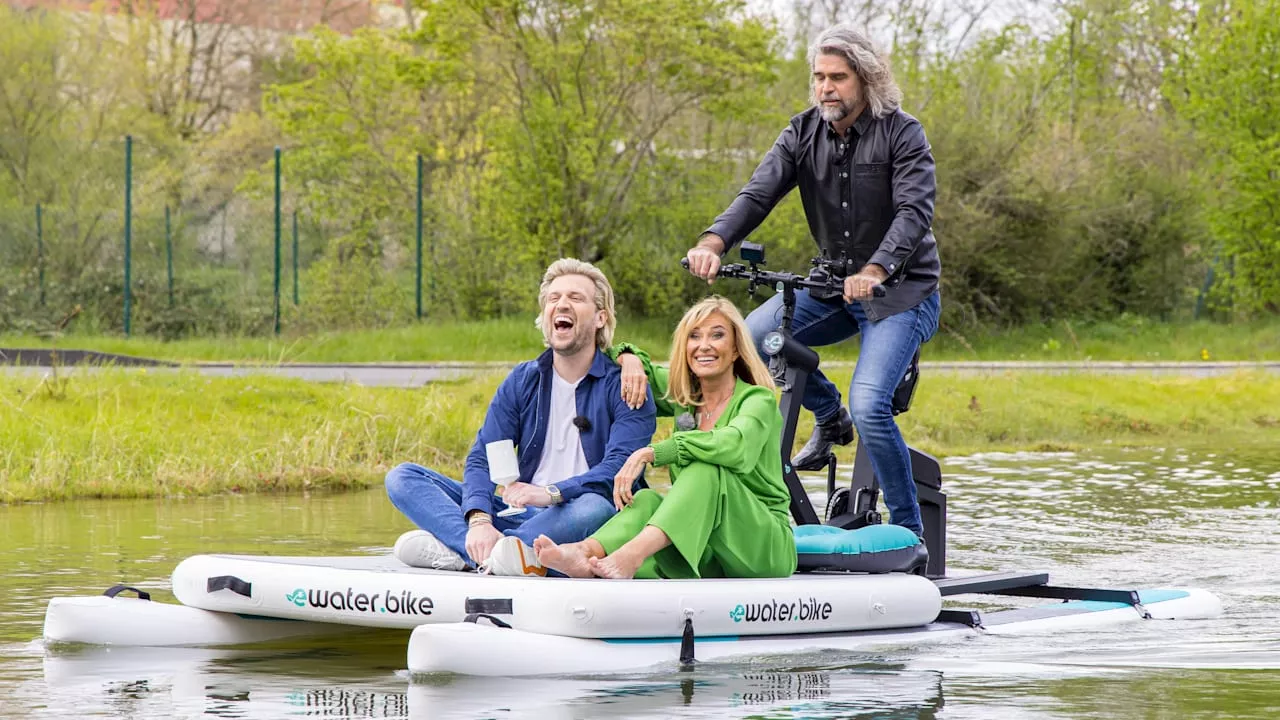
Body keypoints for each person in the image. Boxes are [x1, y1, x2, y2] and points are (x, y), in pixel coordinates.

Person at [682, 24, 941, 537]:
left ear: (866, 79)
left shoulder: (903, 133)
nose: (826, 88)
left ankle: (910, 535)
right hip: (830, 288)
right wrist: (713, 242)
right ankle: (829, 417)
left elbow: (914, 212)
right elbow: (757, 194)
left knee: (871, 405)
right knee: (753, 335)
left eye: (838, 78)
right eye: (819, 77)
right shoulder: (801, 132)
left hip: (901, 293)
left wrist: (874, 269)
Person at [386, 258, 657, 576]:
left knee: (595, 507)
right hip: (517, 512)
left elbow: (617, 470)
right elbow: (484, 457)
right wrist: (480, 520)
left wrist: (550, 493)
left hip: (581, 517)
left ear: (601, 317)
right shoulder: (523, 379)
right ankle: (494, 553)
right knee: (403, 478)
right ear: (544, 316)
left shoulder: (626, 385)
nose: (561, 305)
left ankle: (471, 553)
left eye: (575, 297)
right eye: (554, 298)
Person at [535, 296, 796, 580]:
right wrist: (630, 359)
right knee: (645, 499)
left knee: (704, 468)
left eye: (717, 335)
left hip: (763, 547)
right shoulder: (684, 398)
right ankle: (583, 553)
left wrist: (652, 452)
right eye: (694, 336)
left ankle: (629, 556)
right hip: (709, 548)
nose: (704, 345)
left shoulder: (758, 401)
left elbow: (734, 446)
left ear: (735, 350)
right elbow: (611, 357)